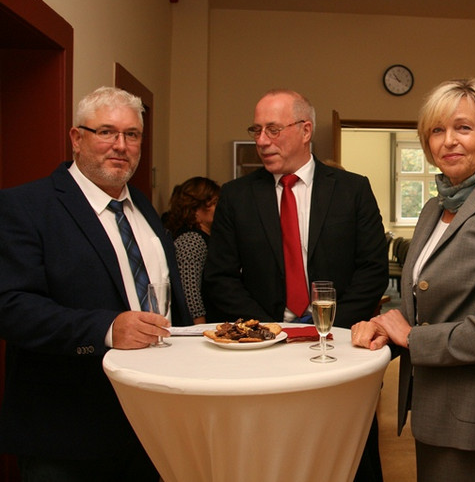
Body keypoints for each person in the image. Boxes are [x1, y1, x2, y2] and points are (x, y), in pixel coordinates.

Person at [351, 78, 475, 481]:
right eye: (437, 130)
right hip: (430, 410)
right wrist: (387, 328)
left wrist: (411, 338)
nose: (449, 141)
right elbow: (424, 303)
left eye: (463, 128)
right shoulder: (435, 208)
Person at [0, 86, 192, 481]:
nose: (120, 145)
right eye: (106, 131)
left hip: (154, 426)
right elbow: (11, 307)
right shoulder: (26, 207)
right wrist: (105, 329)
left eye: (132, 134)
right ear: (76, 138)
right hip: (70, 433)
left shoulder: (143, 209)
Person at [203, 88, 388, 481]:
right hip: (262, 349)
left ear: (306, 130)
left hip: (338, 346)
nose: (262, 141)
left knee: (347, 453)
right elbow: (218, 279)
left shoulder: (353, 190)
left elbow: (372, 270)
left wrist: (334, 328)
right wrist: (271, 330)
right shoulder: (236, 196)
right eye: (256, 130)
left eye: (273, 129)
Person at [163, 176, 221, 323]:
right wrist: (199, 329)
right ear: (195, 208)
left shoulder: (208, 236)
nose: (219, 207)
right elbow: (190, 294)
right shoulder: (191, 240)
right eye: (214, 203)